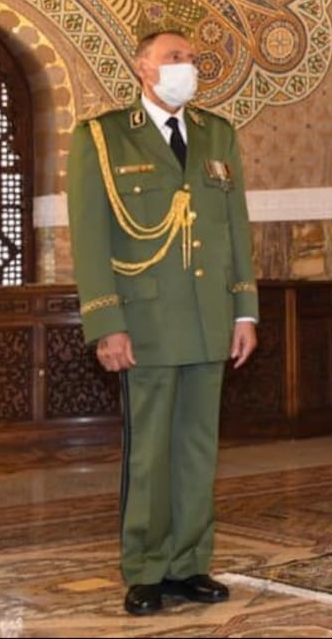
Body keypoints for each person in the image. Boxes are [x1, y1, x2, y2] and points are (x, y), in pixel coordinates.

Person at [66, 30, 259, 616]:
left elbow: (234, 228)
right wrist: (106, 323)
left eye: (192, 58)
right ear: (142, 67)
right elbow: (91, 238)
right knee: (149, 451)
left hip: (209, 320)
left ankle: (189, 562)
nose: (187, 67)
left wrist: (244, 309)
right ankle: (146, 567)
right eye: (174, 58)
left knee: (199, 447)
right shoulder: (101, 137)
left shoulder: (216, 134)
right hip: (144, 321)